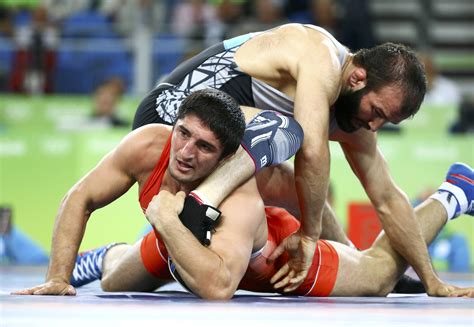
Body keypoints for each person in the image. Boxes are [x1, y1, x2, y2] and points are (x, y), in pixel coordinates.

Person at [12, 89, 473, 297]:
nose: (186, 154)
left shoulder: (243, 199)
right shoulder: (148, 144)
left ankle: (454, 193)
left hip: (259, 260)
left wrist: (169, 220)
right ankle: (111, 254)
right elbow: (80, 197)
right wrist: (58, 276)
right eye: (183, 134)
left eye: (205, 147)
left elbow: (217, 286)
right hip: (180, 237)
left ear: (227, 156)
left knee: (376, 278)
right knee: (113, 280)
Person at [131, 23, 441, 294]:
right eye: (376, 112)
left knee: (299, 189)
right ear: (358, 78)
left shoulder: (355, 111)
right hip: (170, 115)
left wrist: (430, 279)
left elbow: (388, 199)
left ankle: (353, 257)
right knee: (288, 134)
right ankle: (202, 201)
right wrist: (308, 234)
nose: (375, 126)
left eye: (385, 121)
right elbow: (313, 151)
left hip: (221, 139)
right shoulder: (319, 54)